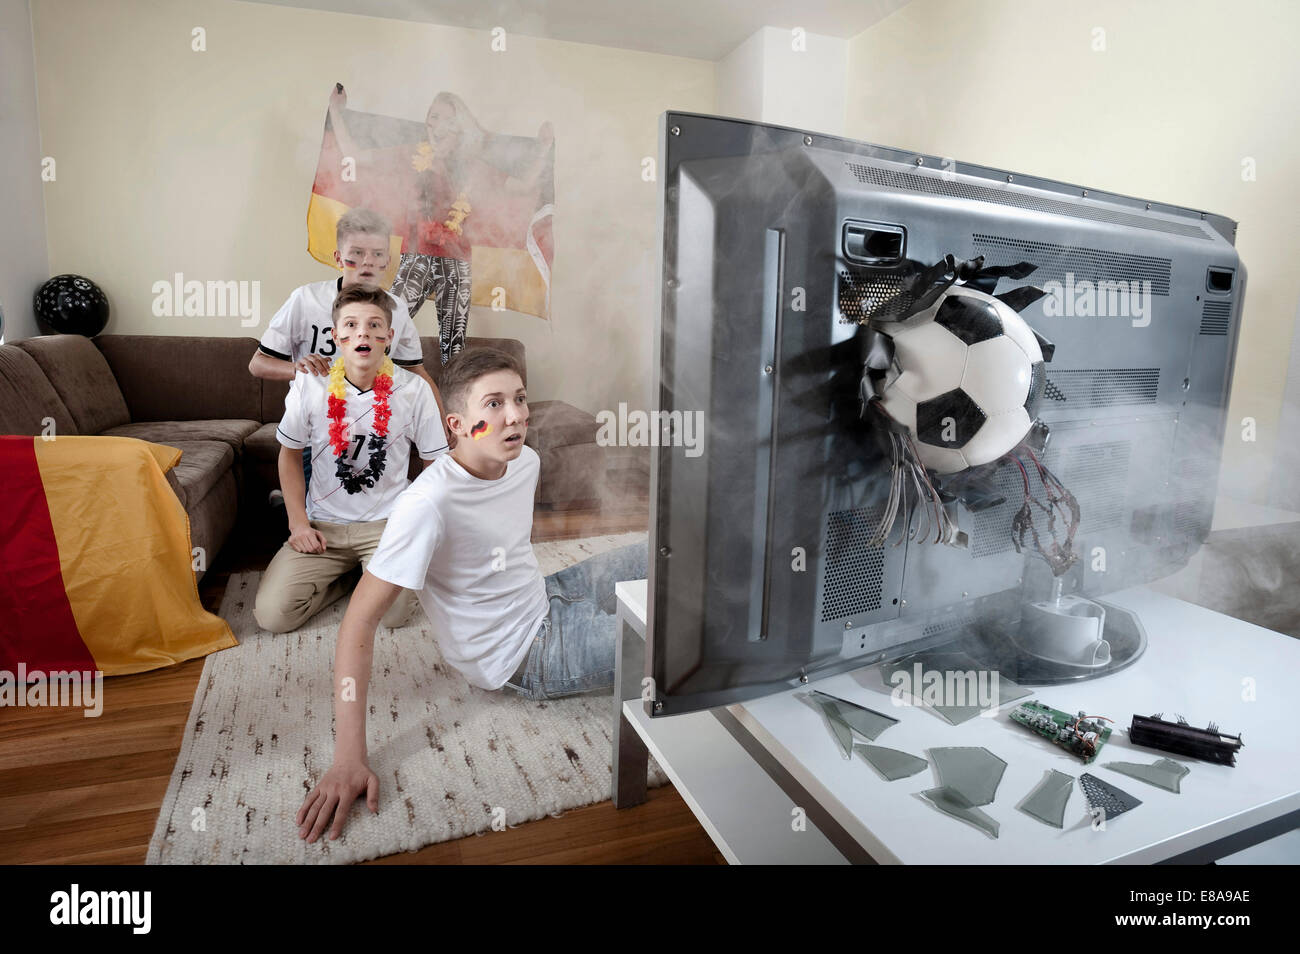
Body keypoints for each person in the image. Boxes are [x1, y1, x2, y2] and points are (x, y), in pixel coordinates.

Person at [293, 347, 645, 842]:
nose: (516, 415)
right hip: (525, 656)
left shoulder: (526, 461)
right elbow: (359, 622)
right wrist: (348, 756)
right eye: (495, 403)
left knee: (662, 551)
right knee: (681, 633)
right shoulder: (427, 504)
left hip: (546, 595)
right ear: (456, 424)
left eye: (520, 399)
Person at [252, 285, 449, 634]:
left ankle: (367, 575)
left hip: (386, 528)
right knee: (273, 616)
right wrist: (298, 523)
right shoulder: (310, 384)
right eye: (352, 325)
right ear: (336, 336)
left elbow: (436, 464)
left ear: (389, 337)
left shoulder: (413, 390)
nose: (363, 332)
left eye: (375, 326)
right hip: (323, 526)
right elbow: (290, 454)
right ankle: (349, 579)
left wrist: (413, 522)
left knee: (393, 617)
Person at [327, 85, 553, 365]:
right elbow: (356, 156)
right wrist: (336, 112)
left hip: (457, 264)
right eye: (432, 117)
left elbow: (522, 187)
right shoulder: (411, 155)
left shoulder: (472, 167)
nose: (435, 124)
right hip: (416, 258)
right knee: (381, 328)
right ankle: (368, 397)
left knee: (453, 349)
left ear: (459, 128)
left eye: (445, 119)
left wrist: (544, 148)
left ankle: (452, 406)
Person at [250, 208, 451, 497]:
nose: (367, 262)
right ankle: (293, 504)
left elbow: (416, 371)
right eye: (357, 252)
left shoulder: (396, 309)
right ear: (338, 257)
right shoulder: (306, 300)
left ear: (387, 261)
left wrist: (444, 428)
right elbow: (257, 364)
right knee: (312, 516)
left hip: (378, 430)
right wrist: (298, 368)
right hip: (317, 432)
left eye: (378, 254)